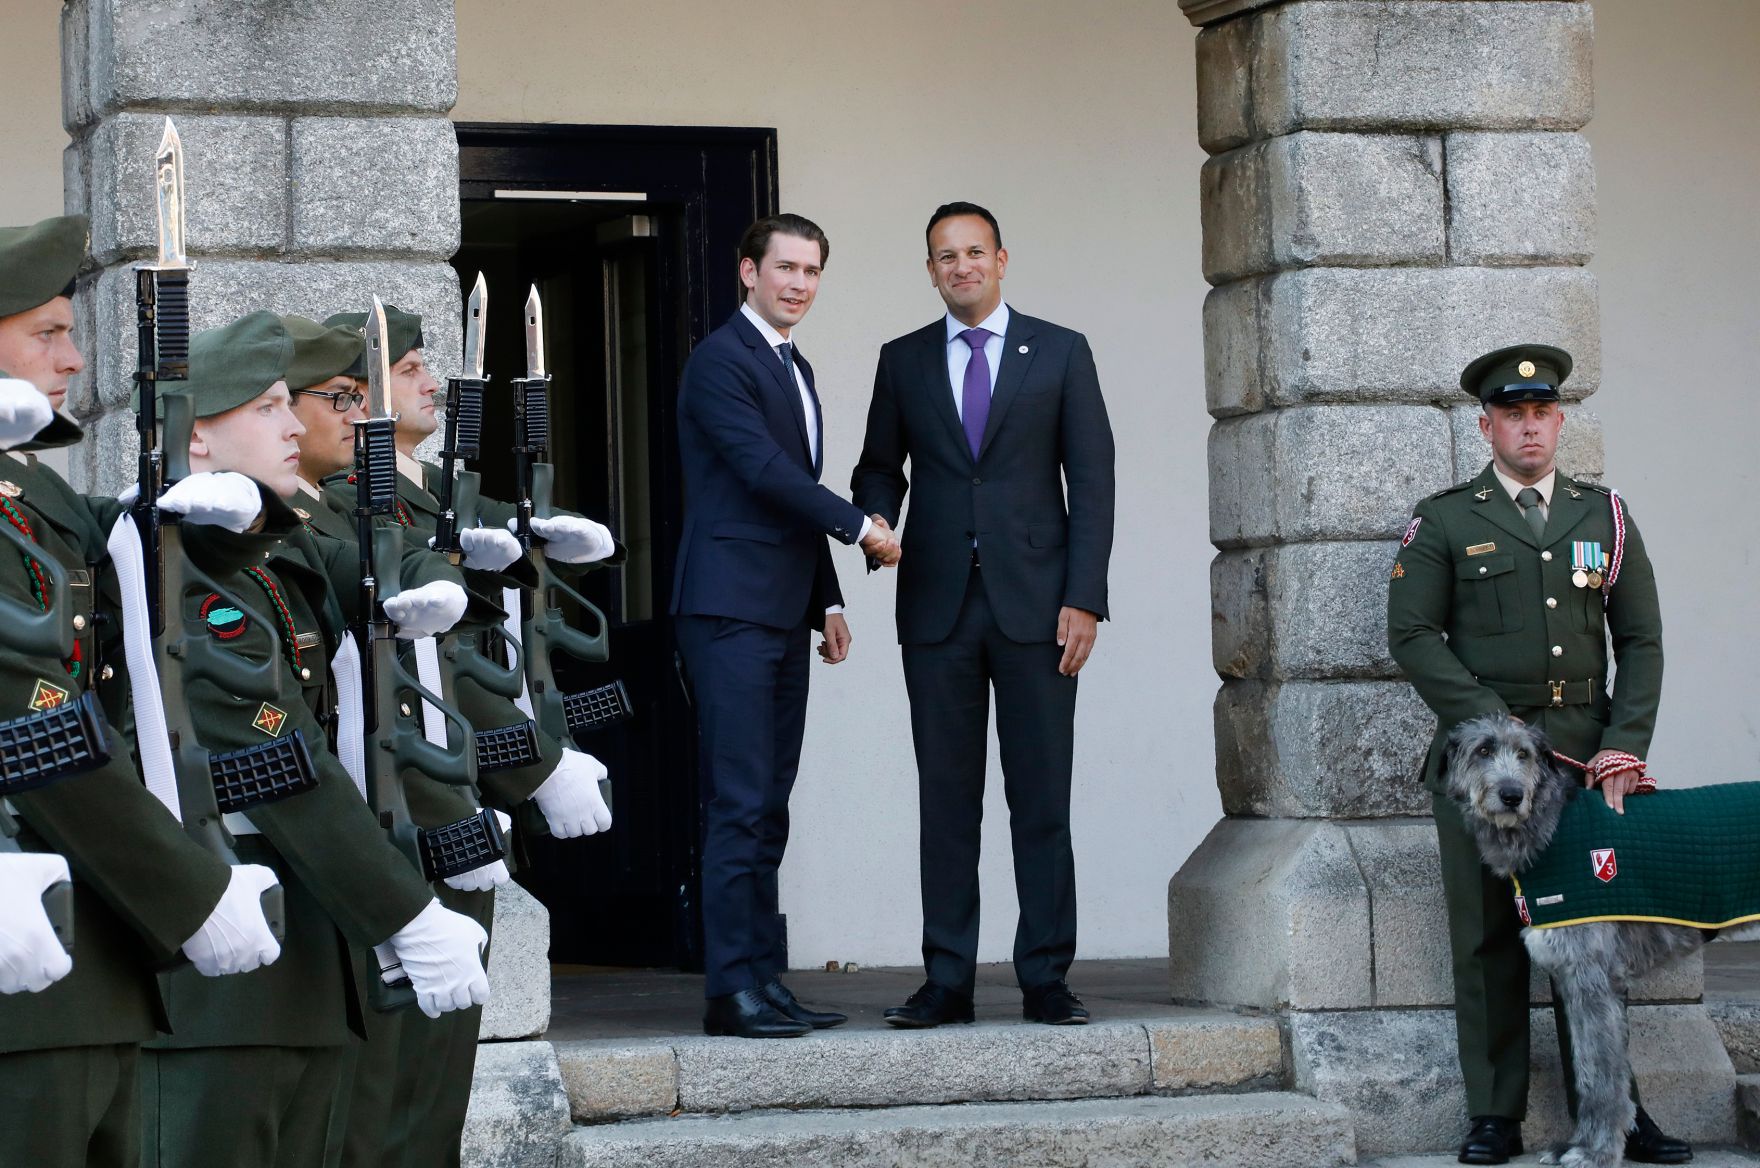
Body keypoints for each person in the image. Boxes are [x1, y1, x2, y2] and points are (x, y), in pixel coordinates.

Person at [137, 312, 491, 1168]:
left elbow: (387, 555)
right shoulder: (179, 574)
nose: (296, 425)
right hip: (226, 982)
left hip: (306, 960)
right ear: (198, 436)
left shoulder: (272, 555)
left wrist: (434, 577)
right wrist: (405, 911)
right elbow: (280, 765)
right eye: (266, 408)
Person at [0, 216, 285, 1168]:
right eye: (47, 332)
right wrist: (192, 892)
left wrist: (209, 525)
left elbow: (119, 568)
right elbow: (32, 726)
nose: (75, 359)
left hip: (95, 941)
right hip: (34, 934)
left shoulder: (29, 490)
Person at [318, 303, 609, 1165]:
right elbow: (433, 677)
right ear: (360, 392)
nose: (430, 382)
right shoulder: (349, 511)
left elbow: (499, 654)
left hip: (462, 798)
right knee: (385, 1082)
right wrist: (539, 767)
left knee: (438, 1087)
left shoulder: (444, 499)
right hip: (402, 803)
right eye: (407, 368)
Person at [1387, 343, 1689, 1166]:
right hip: (1485, 765)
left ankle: (1621, 1113)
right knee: (1488, 940)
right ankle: (1494, 1116)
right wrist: (1496, 731)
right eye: (1511, 414)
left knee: (1594, 937)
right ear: (1485, 425)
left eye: (1541, 412)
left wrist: (1626, 746)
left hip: (1584, 763)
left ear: (1559, 421)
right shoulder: (1446, 518)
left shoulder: (1606, 517)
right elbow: (1411, 634)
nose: (1528, 426)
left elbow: (1642, 640)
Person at [852, 201, 1115, 1029]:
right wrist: (874, 522)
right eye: (944, 256)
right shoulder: (902, 361)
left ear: (1002, 258)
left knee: (1041, 798)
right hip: (935, 606)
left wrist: (1086, 598)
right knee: (947, 798)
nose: (960, 266)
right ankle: (947, 979)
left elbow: (1094, 481)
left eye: (973, 251)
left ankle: (1045, 976)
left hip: (1040, 608)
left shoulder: (1061, 352)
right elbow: (877, 466)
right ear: (929, 270)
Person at [673, 213, 899, 1039]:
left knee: (771, 805)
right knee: (738, 804)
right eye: (785, 268)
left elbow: (788, 494)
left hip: (780, 610)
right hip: (727, 609)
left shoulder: (794, 366)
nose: (799, 284)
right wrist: (861, 525)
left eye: (812, 271)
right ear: (747, 271)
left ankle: (767, 981)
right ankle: (730, 991)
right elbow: (766, 475)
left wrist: (828, 601)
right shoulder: (719, 362)